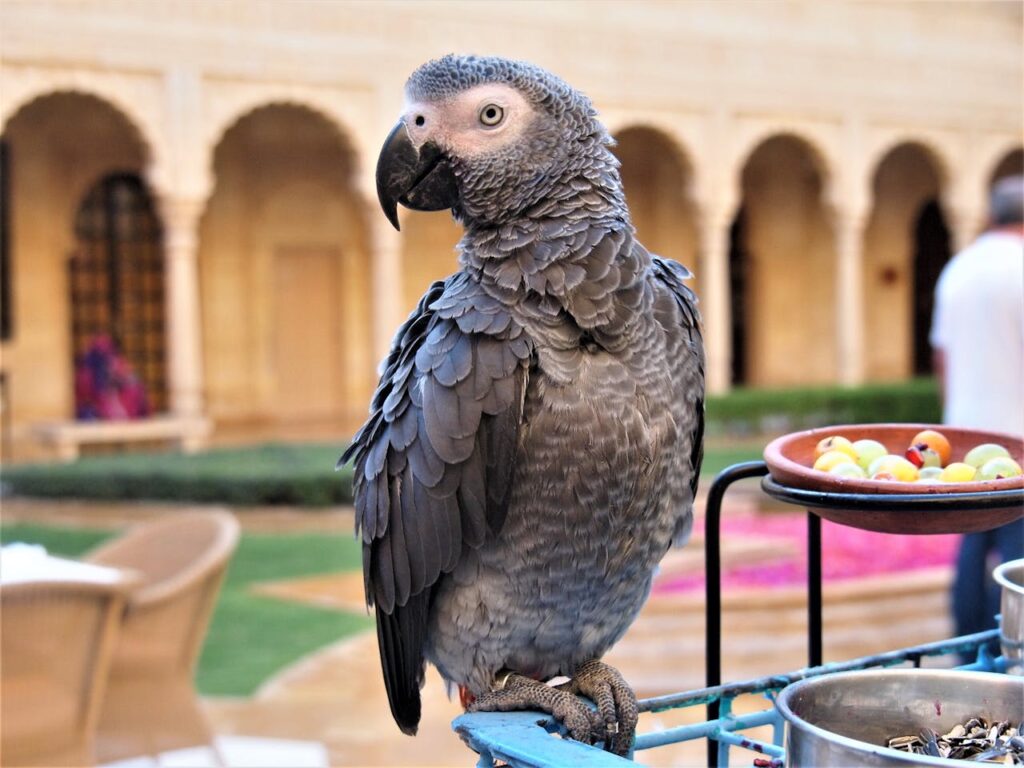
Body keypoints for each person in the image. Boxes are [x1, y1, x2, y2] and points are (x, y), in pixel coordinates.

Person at [930, 174, 1024, 653]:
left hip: (963, 441)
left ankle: (967, 649)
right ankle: (1005, 654)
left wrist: (954, 425)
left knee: (971, 547)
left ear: (991, 216)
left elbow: (942, 356)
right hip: (1018, 441)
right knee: (1016, 560)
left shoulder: (959, 268)